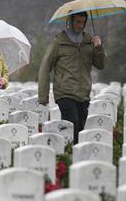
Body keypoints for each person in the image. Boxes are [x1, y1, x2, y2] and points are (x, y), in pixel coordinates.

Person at [38, 11, 105, 143]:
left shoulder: (89, 41)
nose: (80, 25)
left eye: (83, 22)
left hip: (83, 94)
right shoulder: (59, 42)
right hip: (65, 93)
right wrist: (43, 96)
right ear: (70, 21)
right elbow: (45, 67)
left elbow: (100, 65)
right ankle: (69, 155)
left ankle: (73, 158)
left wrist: (98, 48)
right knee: (72, 124)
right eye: (77, 22)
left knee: (80, 129)